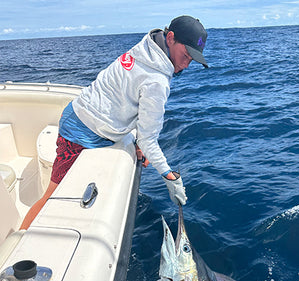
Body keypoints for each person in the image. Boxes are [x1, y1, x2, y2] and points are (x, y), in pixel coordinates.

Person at [20, 15, 208, 230]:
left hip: (80, 118)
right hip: (79, 134)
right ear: (171, 37)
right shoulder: (157, 81)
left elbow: (128, 98)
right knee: (52, 197)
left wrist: (139, 143)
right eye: (185, 55)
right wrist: (169, 176)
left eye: (192, 59)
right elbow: (149, 137)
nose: (186, 64)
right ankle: (20, 240)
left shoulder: (145, 50)